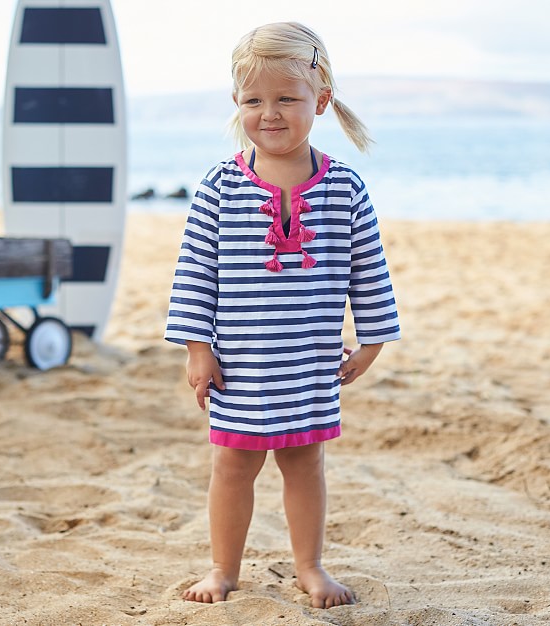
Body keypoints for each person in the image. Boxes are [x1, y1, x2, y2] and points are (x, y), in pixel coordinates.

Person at [164, 21, 400, 609]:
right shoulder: (218, 187)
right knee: (233, 467)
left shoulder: (345, 187)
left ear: (321, 99)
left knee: (304, 463)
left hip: (309, 361)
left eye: (286, 98)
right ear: (236, 103)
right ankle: (223, 569)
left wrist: (372, 340)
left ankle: (310, 567)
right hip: (240, 365)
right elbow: (194, 271)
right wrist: (198, 347)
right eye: (254, 100)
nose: (269, 113)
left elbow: (367, 269)